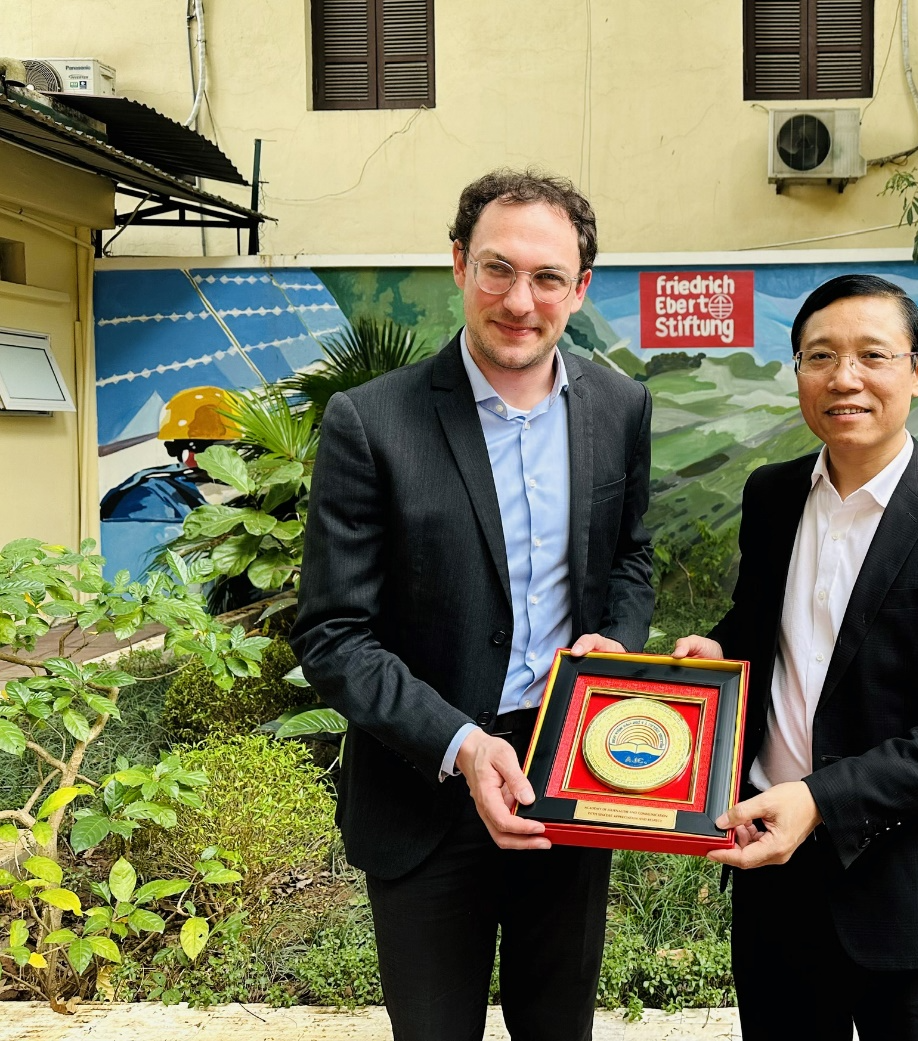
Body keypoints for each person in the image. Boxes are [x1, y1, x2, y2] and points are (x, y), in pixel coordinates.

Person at [290, 169, 654, 1041]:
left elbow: (630, 559)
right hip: (424, 776)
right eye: (498, 268)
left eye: (548, 277)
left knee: (557, 1025)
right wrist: (460, 743)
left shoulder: (620, 406)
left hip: (571, 770)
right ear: (459, 264)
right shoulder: (372, 422)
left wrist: (617, 639)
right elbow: (333, 633)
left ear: (580, 287)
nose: (520, 301)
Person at [673, 274, 918, 1041]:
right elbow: (763, 622)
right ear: (799, 372)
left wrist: (821, 799)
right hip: (773, 878)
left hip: (915, 892)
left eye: (873, 355)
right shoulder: (771, 497)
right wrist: (719, 648)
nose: (844, 378)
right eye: (820, 356)